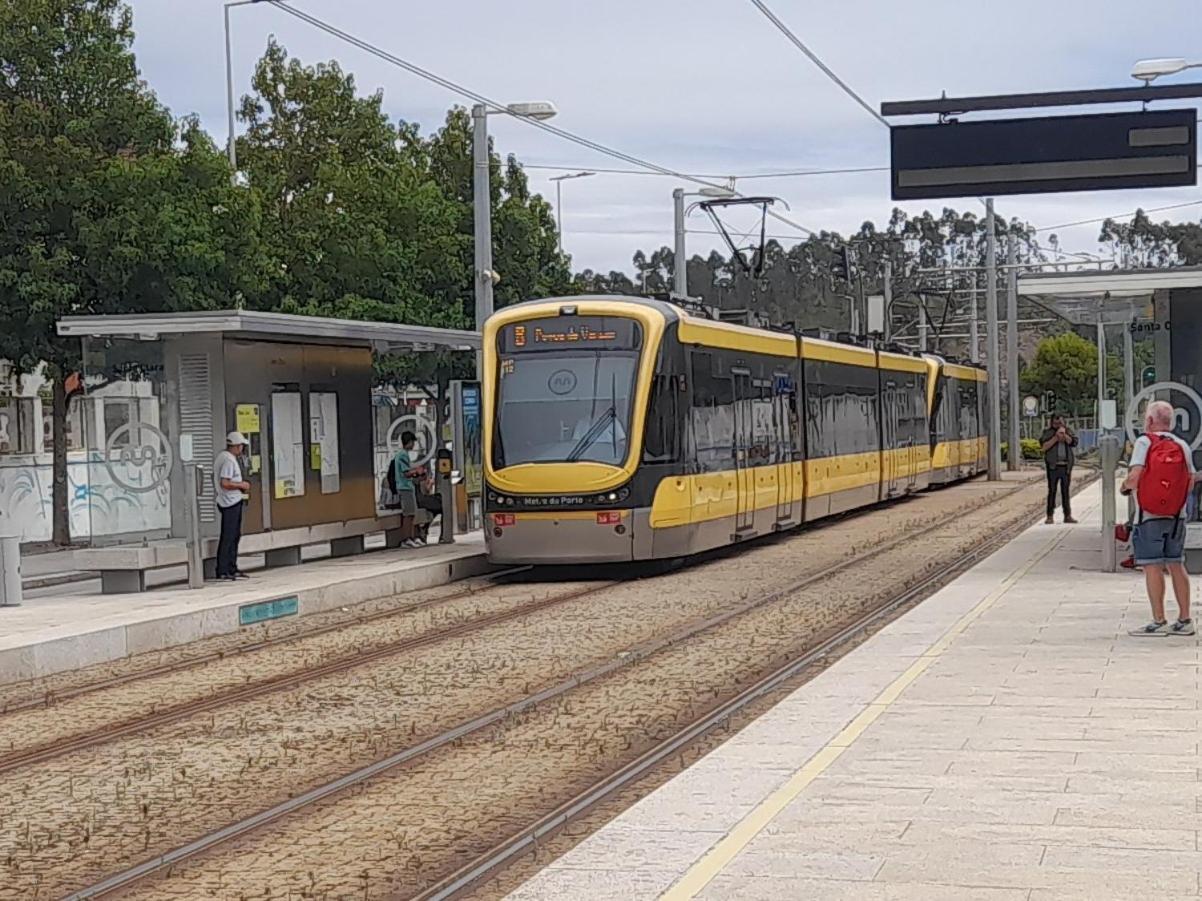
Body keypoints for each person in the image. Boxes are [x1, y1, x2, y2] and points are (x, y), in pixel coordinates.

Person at [1122, 400, 1197, 636]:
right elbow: (1191, 479)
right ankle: (1185, 619)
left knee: (1152, 567)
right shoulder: (1182, 445)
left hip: (1149, 516)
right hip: (1177, 516)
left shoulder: (1144, 442)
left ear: (1150, 421)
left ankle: (1158, 620)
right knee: (1176, 563)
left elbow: (1135, 476)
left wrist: (1124, 487)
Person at [214, 431, 251, 581]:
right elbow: (225, 482)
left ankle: (230, 566)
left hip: (226, 501)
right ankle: (225, 568)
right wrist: (242, 485)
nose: (242, 448)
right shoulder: (229, 460)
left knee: (233, 535)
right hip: (231, 502)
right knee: (230, 536)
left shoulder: (222, 457)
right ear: (236, 446)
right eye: (241, 445)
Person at [1039, 413, 1078, 525]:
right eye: (1056, 423)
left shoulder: (1068, 431)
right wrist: (1056, 438)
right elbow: (1043, 447)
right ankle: (1050, 515)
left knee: (1065, 491)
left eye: (1060, 423)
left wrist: (1064, 436)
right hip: (1053, 466)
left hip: (1066, 466)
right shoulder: (1048, 433)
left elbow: (1074, 442)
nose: (1058, 425)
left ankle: (1067, 515)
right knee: (1052, 491)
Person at [390, 431, 427, 549]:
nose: (414, 445)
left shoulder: (401, 455)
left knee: (411, 514)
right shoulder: (402, 455)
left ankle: (411, 537)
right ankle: (406, 539)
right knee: (408, 515)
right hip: (404, 487)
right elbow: (406, 473)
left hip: (407, 487)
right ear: (409, 442)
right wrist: (417, 472)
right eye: (413, 442)